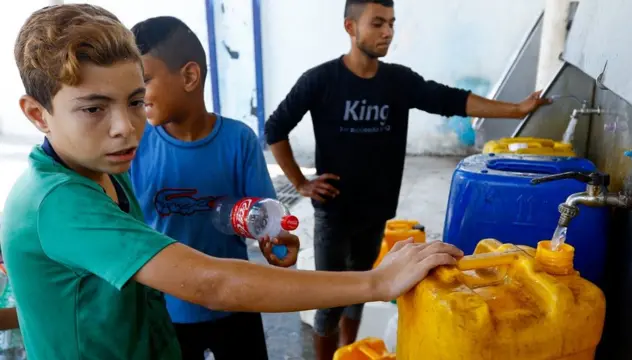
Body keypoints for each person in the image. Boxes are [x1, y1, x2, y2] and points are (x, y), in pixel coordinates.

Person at [0, 4, 464, 359]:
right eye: (94, 107)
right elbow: (210, 283)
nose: (127, 127)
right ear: (37, 114)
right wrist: (374, 283)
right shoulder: (58, 202)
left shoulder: (102, 167)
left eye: (136, 100)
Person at [264, 0, 551, 358]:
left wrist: (516, 109)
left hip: (377, 209)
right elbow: (275, 128)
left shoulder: (397, 81)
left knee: (363, 287)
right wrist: (302, 183)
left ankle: (349, 352)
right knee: (330, 299)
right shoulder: (320, 81)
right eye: (378, 23)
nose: (388, 32)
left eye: (392, 23)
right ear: (350, 28)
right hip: (334, 212)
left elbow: (451, 100)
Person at [128, 16, 291, 360]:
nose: (136, 97)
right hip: (166, 311)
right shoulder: (134, 147)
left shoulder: (239, 141)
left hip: (235, 304)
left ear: (189, 76)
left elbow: (265, 217)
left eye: (143, 81)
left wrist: (276, 237)